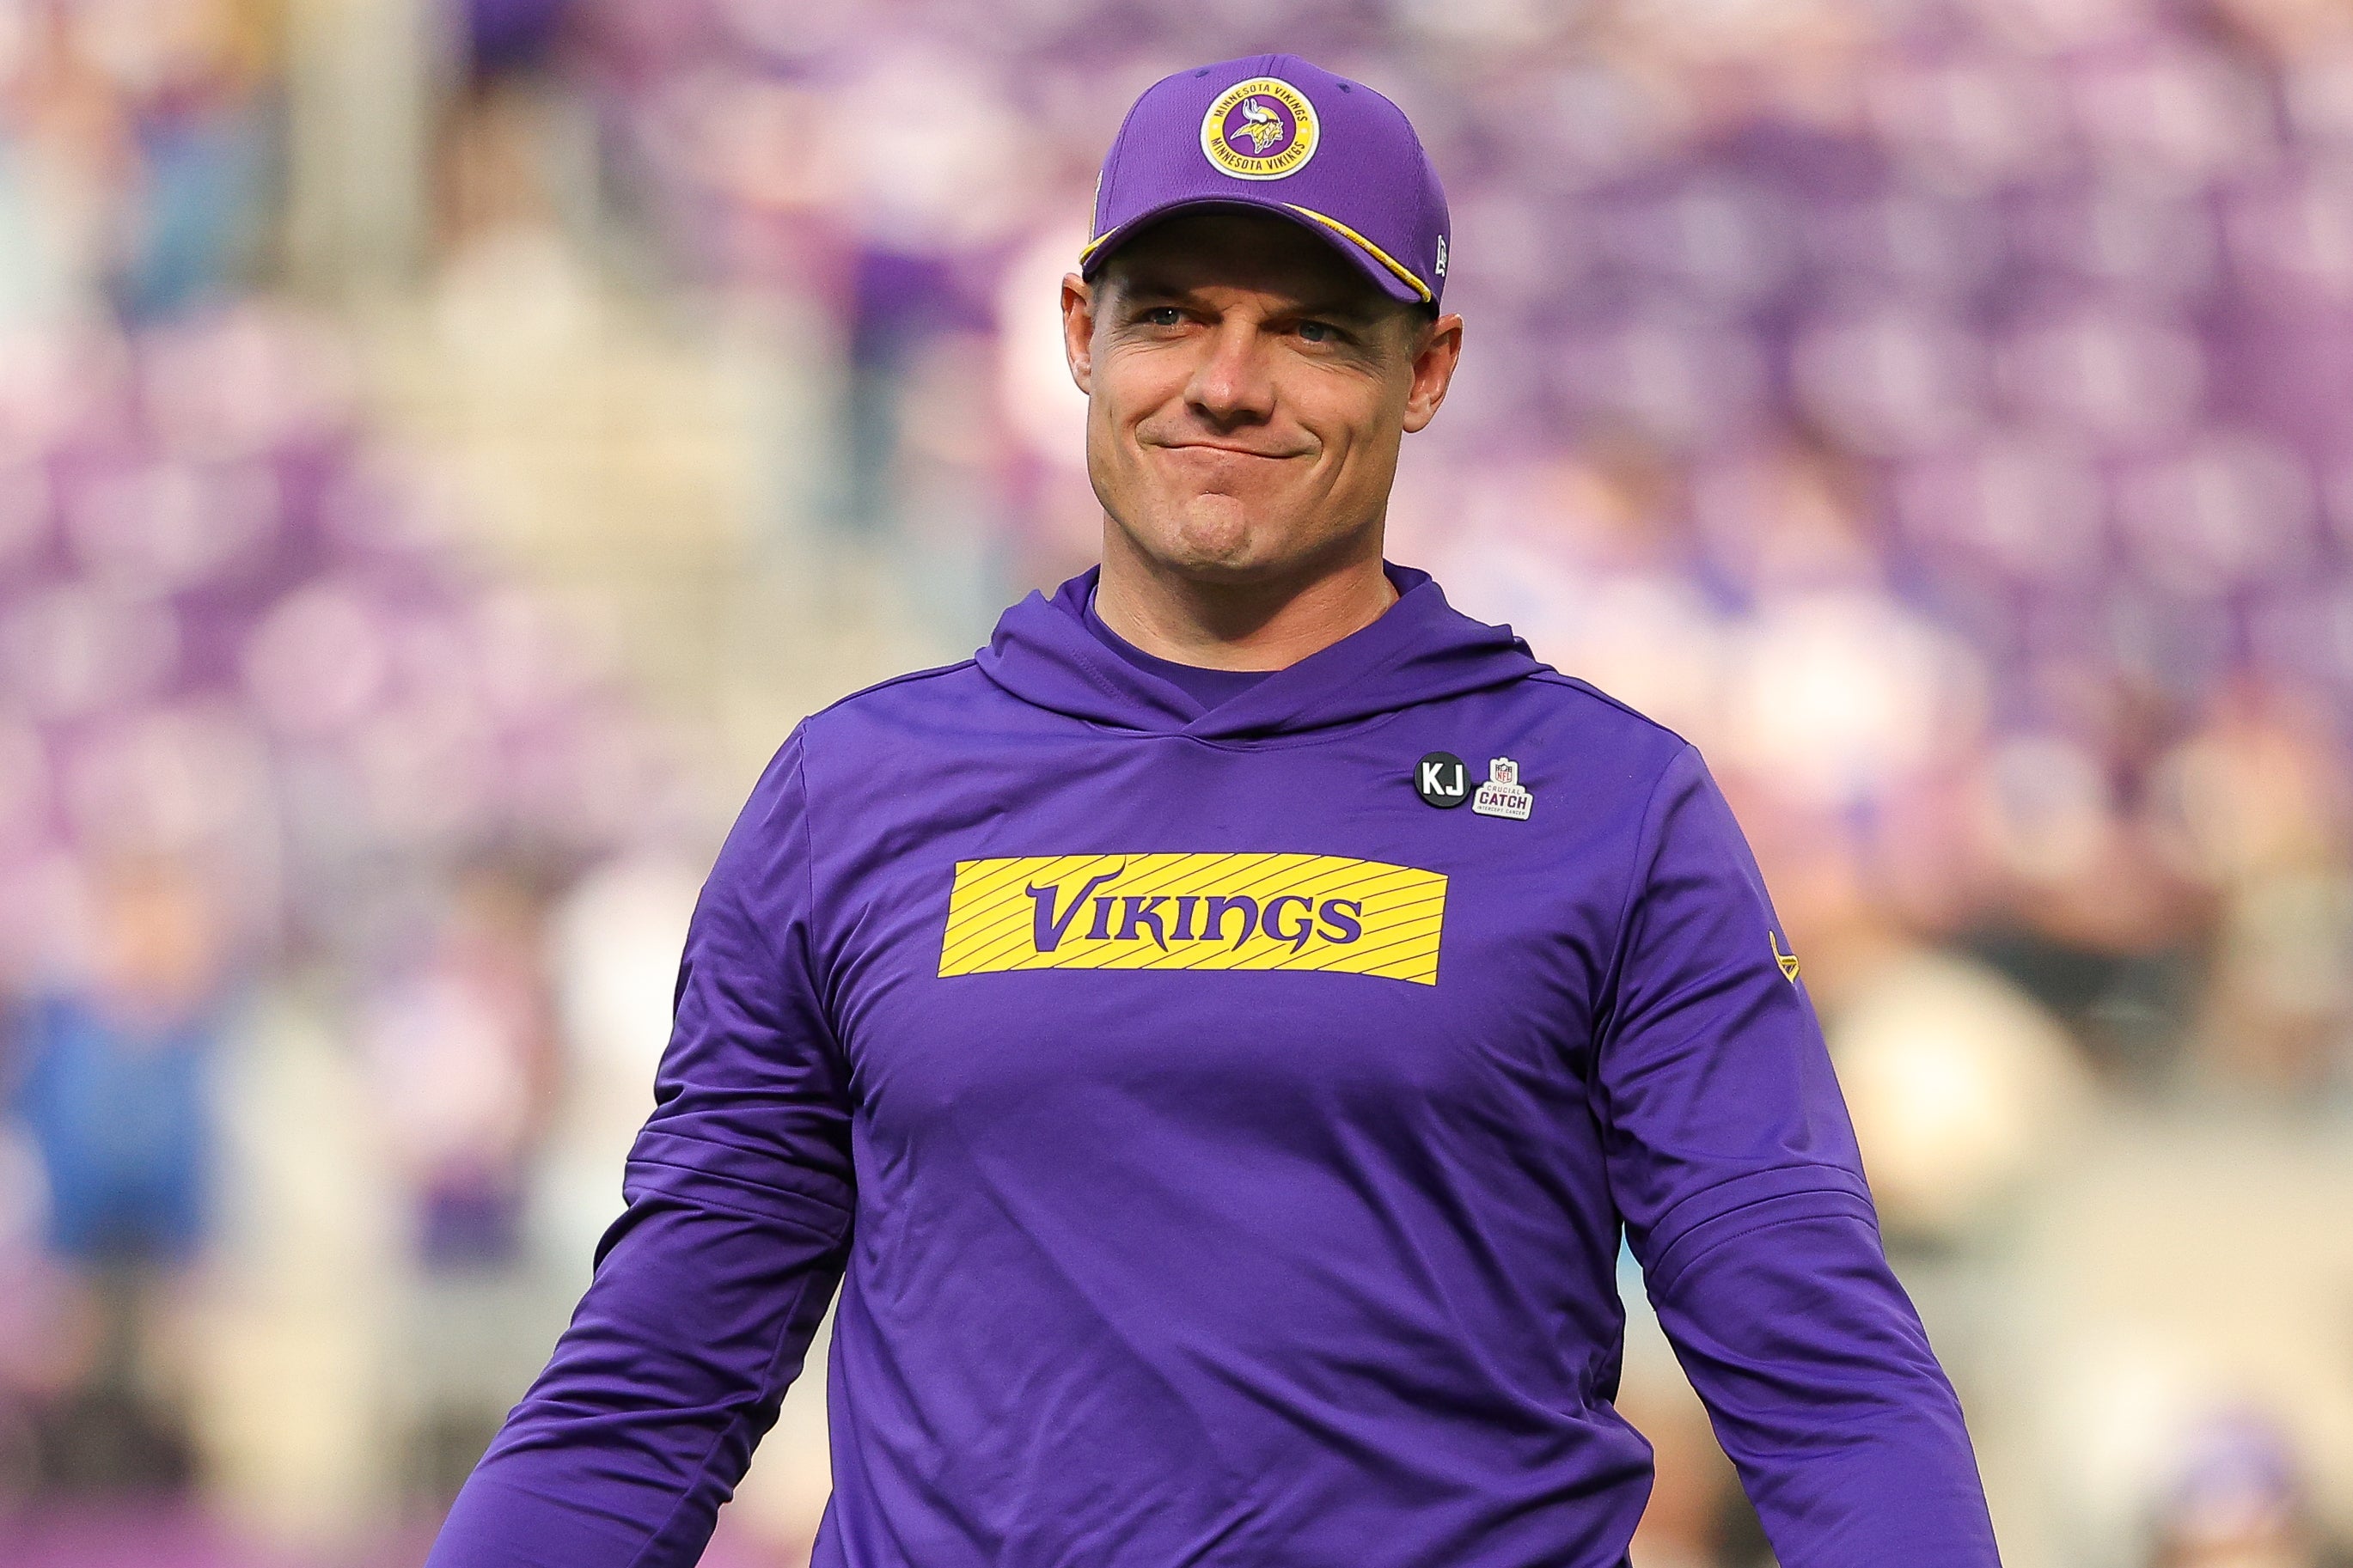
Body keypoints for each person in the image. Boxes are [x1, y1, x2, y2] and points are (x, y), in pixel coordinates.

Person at [427, 53, 2002, 1568]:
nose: (1228, 385)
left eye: (1312, 331)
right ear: (1078, 336)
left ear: (1427, 369)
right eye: (1172, 315)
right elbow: (651, 1386)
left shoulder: (1608, 806)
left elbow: (1825, 1380)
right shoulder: (855, 796)